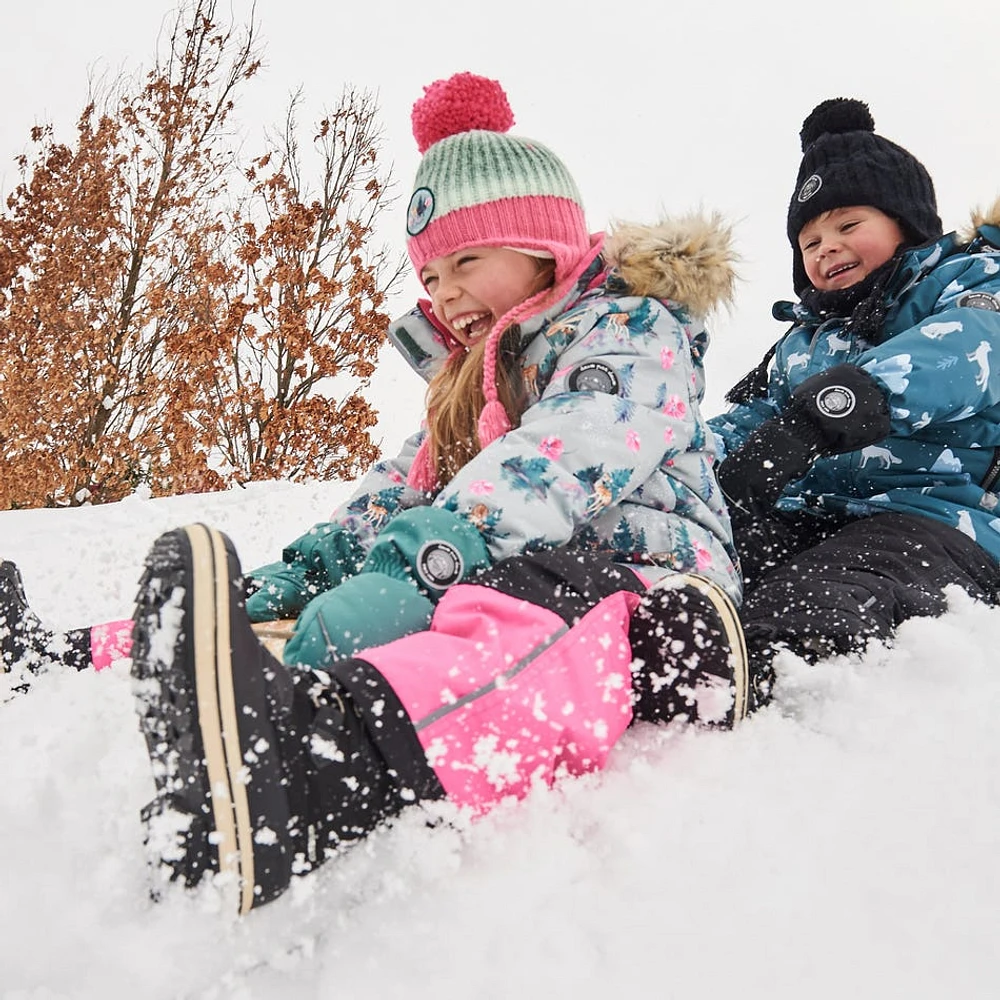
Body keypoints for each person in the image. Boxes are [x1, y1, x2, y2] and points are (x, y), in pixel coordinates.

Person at [5, 71, 750, 913]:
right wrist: (313, 565)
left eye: (466, 260)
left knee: (518, 617)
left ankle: (303, 769)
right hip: (500, 567)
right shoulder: (471, 383)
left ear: (543, 245)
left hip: (652, 591)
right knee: (277, 607)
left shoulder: (629, 331)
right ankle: (67, 660)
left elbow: (567, 451)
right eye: (430, 277)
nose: (445, 293)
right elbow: (402, 488)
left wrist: (422, 561)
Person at [710, 97, 1000, 701]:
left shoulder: (968, 283)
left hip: (937, 523)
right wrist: (685, 456)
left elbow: (968, 351)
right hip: (812, 518)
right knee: (717, 551)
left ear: (907, 223)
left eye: (847, 226)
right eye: (808, 240)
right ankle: (659, 633)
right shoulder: (802, 341)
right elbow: (754, 418)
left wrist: (837, 404)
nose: (825, 248)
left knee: (825, 591)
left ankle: (764, 681)